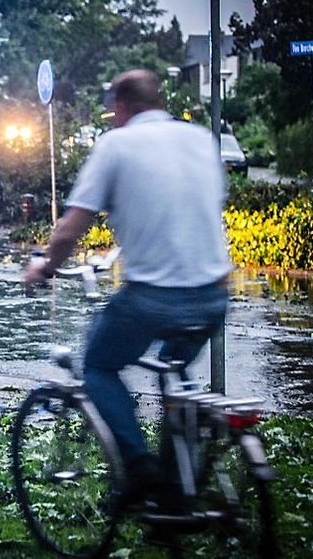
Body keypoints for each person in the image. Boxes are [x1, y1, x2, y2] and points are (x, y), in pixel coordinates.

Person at [24, 69, 232, 504]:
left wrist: (44, 265)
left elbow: (69, 230)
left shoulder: (115, 145)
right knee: (173, 372)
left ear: (122, 107)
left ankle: (139, 471)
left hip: (153, 298)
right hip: (214, 295)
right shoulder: (199, 139)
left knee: (98, 366)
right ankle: (176, 498)